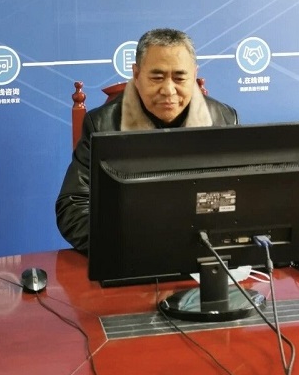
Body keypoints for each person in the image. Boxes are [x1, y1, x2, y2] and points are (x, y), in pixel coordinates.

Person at [55, 27, 238, 253]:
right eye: (157, 77)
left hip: (205, 253)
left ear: (194, 75)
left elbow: (239, 198)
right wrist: (125, 243)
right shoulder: (102, 125)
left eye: (180, 78)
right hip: (131, 251)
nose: (168, 90)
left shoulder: (223, 119)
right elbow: (73, 205)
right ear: (136, 74)